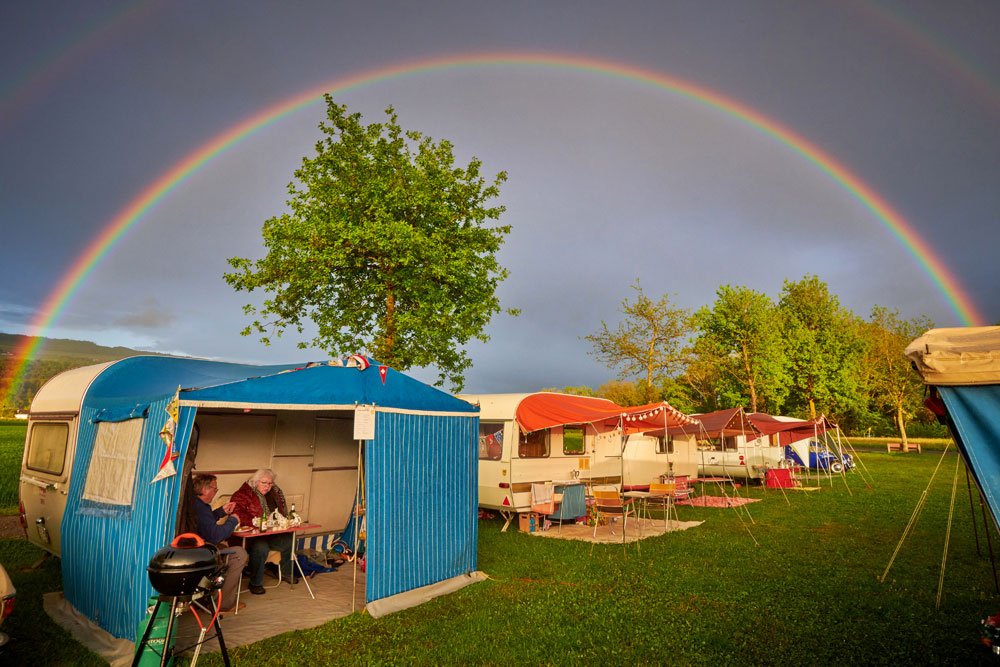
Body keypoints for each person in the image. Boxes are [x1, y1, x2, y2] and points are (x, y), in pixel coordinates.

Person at [231, 469, 295, 595]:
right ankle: (255, 583)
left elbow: (280, 512)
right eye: (264, 483)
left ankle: (285, 572)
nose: (268, 486)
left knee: (289, 541)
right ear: (255, 482)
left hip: (270, 532)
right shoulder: (243, 494)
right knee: (261, 547)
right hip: (251, 536)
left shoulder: (275, 493)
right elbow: (236, 512)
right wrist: (255, 522)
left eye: (270, 483)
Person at [191, 473, 248, 613]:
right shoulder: (201, 507)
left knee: (224, 548)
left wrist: (221, 512)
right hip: (202, 553)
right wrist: (233, 520)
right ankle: (222, 605)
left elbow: (205, 525)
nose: (215, 492)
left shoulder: (195, 503)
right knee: (240, 554)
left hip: (196, 549)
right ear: (204, 490)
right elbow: (216, 535)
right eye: (215, 489)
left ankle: (209, 595)